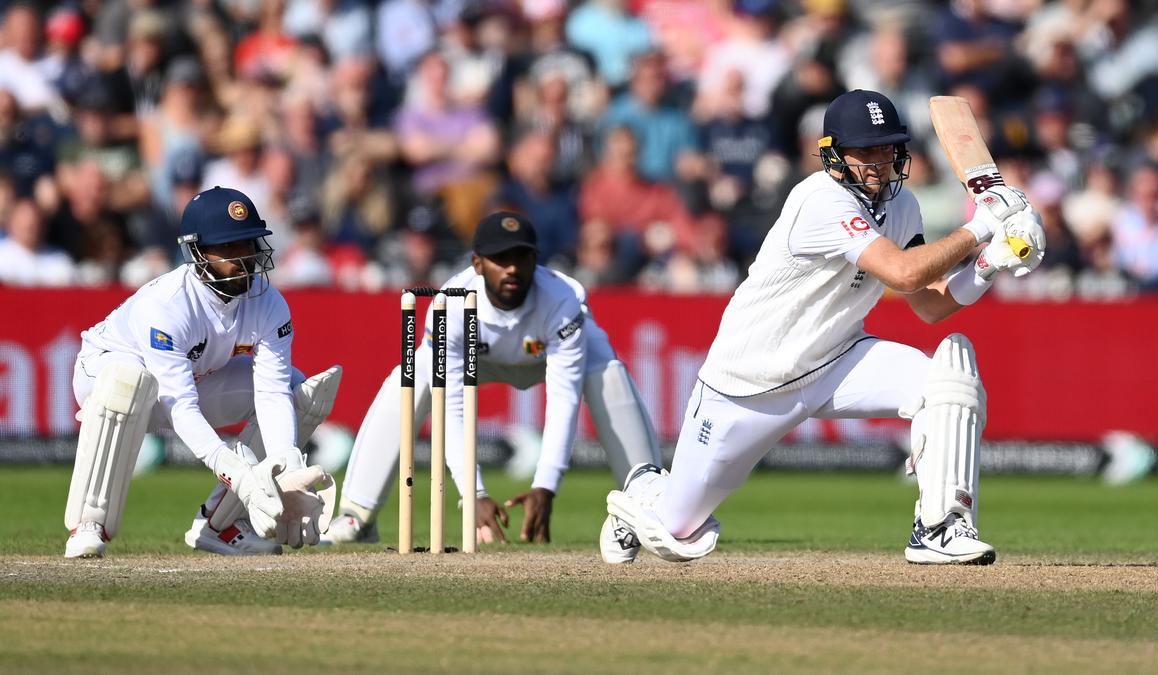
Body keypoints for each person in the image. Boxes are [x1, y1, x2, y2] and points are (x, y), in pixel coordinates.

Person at [600, 90, 1047, 566]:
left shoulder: (902, 208)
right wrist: (981, 226)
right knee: (676, 535)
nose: (879, 161)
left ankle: (940, 527)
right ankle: (642, 492)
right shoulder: (818, 199)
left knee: (948, 378)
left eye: (887, 148)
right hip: (749, 383)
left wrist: (990, 262)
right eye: (866, 150)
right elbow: (902, 273)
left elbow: (929, 305)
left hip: (837, 359)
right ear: (833, 152)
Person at [326, 211, 659, 545]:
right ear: (477, 264)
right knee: (415, 374)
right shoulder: (452, 304)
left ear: (535, 260)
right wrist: (474, 493)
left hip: (542, 358)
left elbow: (564, 401)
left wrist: (546, 485)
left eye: (522, 256)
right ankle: (358, 514)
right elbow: (452, 409)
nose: (512, 267)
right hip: (481, 360)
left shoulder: (563, 300)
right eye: (500, 258)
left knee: (608, 372)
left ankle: (653, 510)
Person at [63, 186, 341, 559]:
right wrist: (238, 474)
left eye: (248, 244)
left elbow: (272, 394)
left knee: (295, 389)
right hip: (103, 374)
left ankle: (220, 526)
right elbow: (180, 407)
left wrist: (286, 471)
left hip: (194, 379)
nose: (244, 260)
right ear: (196, 253)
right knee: (129, 382)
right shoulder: (167, 306)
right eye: (228, 249)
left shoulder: (269, 302)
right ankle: (88, 523)